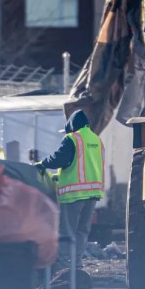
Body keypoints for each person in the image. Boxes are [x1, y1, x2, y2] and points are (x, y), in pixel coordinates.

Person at [33, 110, 104, 269]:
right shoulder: (96, 139)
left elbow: (60, 159)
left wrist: (42, 164)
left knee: (66, 231)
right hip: (93, 193)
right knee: (82, 231)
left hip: (74, 194)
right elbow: (84, 165)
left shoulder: (72, 138)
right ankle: (76, 264)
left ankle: (64, 266)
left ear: (71, 125)